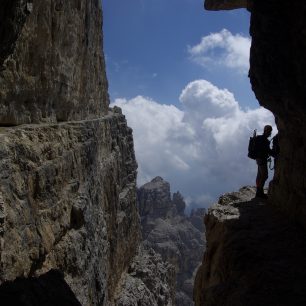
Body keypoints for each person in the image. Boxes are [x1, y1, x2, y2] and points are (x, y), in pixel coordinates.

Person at [255, 125, 273, 198]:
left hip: (258, 159)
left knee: (259, 175)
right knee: (264, 175)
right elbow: (268, 150)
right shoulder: (265, 140)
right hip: (262, 159)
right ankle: (259, 193)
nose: (270, 133)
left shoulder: (259, 138)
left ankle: (259, 192)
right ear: (267, 131)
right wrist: (276, 154)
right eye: (269, 131)